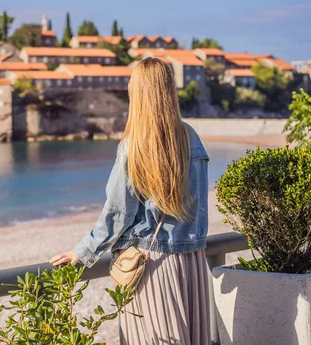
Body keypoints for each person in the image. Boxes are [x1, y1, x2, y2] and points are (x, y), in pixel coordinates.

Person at [50, 57, 210, 344]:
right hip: (191, 261)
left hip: (153, 265)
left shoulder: (133, 145)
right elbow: (198, 205)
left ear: (138, 94)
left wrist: (83, 251)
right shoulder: (191, 137)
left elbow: (118, 213)